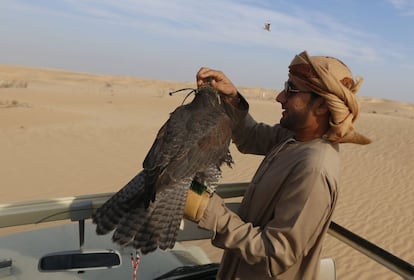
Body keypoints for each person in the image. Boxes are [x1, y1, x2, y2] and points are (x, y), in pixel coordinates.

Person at [183, 50, 371, 279]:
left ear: (321, 105)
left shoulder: (314, 169)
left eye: (291, 89)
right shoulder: (293, 137)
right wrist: (232, 97)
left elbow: (275, 254)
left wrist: (207, 210)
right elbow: (251, 136)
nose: (280, 97)